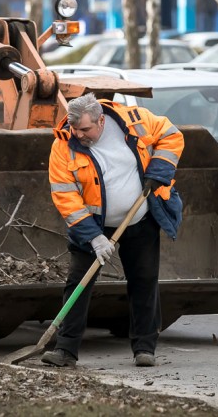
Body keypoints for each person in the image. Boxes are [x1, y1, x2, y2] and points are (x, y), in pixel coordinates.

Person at [42, 93, 184, 368]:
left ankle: (145, 348)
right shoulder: (63, 147)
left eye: (85, 129)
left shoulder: (135, 121)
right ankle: (65, 350)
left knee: (144, 280)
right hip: (93, 225)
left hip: (139, 219)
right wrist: (94, 238)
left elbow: (171, 134)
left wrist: (160, 169)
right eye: (74, 129)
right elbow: (66, 197)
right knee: (78, 283)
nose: (79, 134)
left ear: (102, 121)